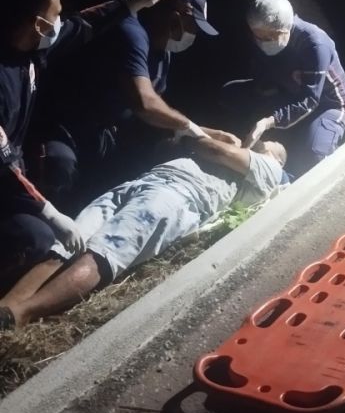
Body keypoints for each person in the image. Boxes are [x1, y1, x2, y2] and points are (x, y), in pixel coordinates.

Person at [0, 0, 181, 292]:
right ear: (36, 24)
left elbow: (85, 23)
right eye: (54, 17)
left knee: (48, 209)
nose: (60, 23)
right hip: (5, 176)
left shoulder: (31, 49)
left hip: (12, 174)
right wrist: (49, 212)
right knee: (37, 237)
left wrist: (137, 0)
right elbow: (3, 163)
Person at [0, 137, 288, 329]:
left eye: (274, 143)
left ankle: (23, 312)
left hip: (178, 195)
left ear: (277, 156)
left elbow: (216, 150)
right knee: (68, 243)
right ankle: (7, 307)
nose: (268, 140)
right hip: (146, 182)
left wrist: (199, 138)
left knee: (103, 253)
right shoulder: (239, 158)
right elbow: (168, 145)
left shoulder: (270, 168)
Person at [38, 0, 237, 209]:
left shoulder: (162, 52)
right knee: (59, 170)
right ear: (176, 18)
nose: (195, 35)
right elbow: (145, 103)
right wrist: (190, 127)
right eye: (194, 27)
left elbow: (158, 112)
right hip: (65, 129)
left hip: (104, 134)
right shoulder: (130, 32)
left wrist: (203, 134)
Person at [222, 0, 345, 177]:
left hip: (327, 103)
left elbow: (310, 100)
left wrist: (269, 121)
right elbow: (264, 73)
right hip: (288, 93)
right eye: (259, 36)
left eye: (270, 36)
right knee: (230, 93)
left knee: (314, 156)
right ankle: (270, 133)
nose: (264, 42)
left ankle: (291, 167)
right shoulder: (263, 39)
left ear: (285, 28)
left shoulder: (315, 44)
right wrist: (262, 95)